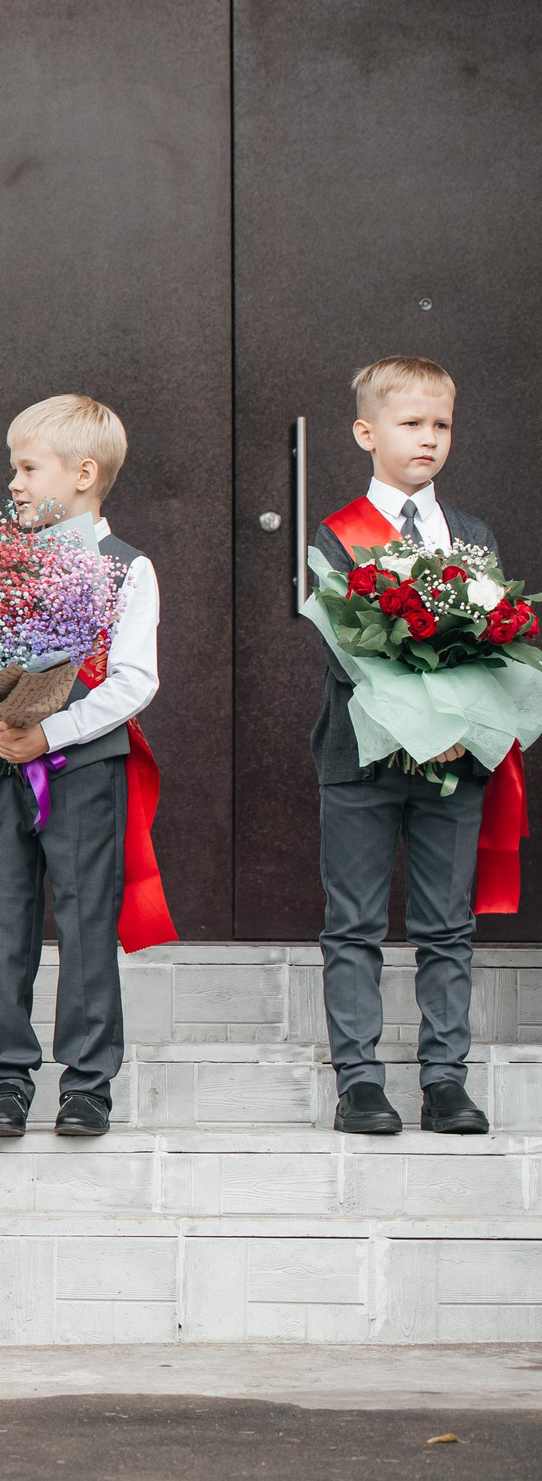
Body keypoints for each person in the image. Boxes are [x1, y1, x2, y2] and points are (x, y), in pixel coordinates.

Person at [0, 395, 160, 1141]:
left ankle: (87, 1082)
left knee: (84, 922)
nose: (13, 480)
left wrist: (54, 732)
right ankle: (5, 1078)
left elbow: (135, 680)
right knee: (5, 917)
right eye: (14, 466)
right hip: (3, 764)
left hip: (84, 770)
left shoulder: (127, 570)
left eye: (27, 466)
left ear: (82, 473)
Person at [311, 357, 494, 1137]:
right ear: (366, 432)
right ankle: (359, 1081)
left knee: (446, 925)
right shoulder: (337, 533)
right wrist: (428, 725)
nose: (429, 438)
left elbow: (495, 644)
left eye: (441, 424)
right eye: (411, 422)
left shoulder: (472, 534)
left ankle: (445, 1079)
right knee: (354, 922)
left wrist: (462, 729)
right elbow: (349, 654)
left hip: (456, 765)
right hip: (364, 757)